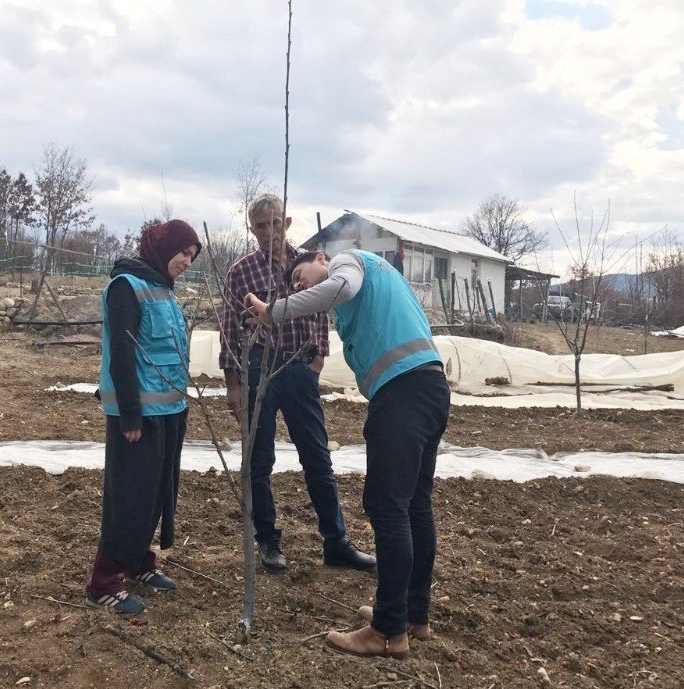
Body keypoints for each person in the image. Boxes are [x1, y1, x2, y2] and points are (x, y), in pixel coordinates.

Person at [244, 248, 449, 658]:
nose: (299, 285)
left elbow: (340, 286)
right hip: (429, 388)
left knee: (388, 507)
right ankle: (411, 613)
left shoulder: (349, 263)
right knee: (414, 506)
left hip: (404, 394)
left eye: (299, 276)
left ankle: (388, 631)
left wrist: (274, 311)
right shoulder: (375, 289)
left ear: (320, 257)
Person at [220, 194, 376, 575]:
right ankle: (268, 541)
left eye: (275, 223)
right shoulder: (240, 272)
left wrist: (318, 359)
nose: (269, 232)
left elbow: (322, 311)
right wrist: (234, 384)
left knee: (317, 456)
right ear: (251, 229)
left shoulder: (307, 260)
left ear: (286, 222)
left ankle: (336, 542)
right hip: (259, 369)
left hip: (300, 368)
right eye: (260, 226)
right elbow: (228, 329)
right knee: (259, 460)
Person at [85, 219, 201, 615]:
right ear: (163, 246)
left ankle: (137, 560)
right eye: (183, 252)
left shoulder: (163, 289)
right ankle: (104, 579)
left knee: (156, 492)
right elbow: (121, 353)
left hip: (169, 410)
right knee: (130, 495)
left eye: (192, 256)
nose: (187, 262)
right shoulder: (126, 287)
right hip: (139, 417)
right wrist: (130, 416)